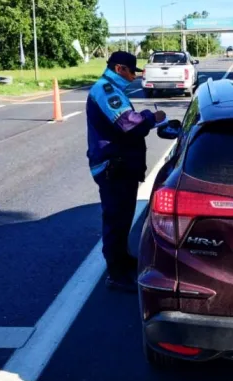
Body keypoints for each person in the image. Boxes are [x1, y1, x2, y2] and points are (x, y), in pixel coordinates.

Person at [86, 51, 166, 292]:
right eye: (132, 71)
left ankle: (122, 258)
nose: (133, 77)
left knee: (123, 219)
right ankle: (116, 274)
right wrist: (153, 117)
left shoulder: (111, 88)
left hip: (122, 166)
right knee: (116, 220)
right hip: (113, 167)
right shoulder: (106, 90)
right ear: (120, 68)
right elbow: (129, 124)